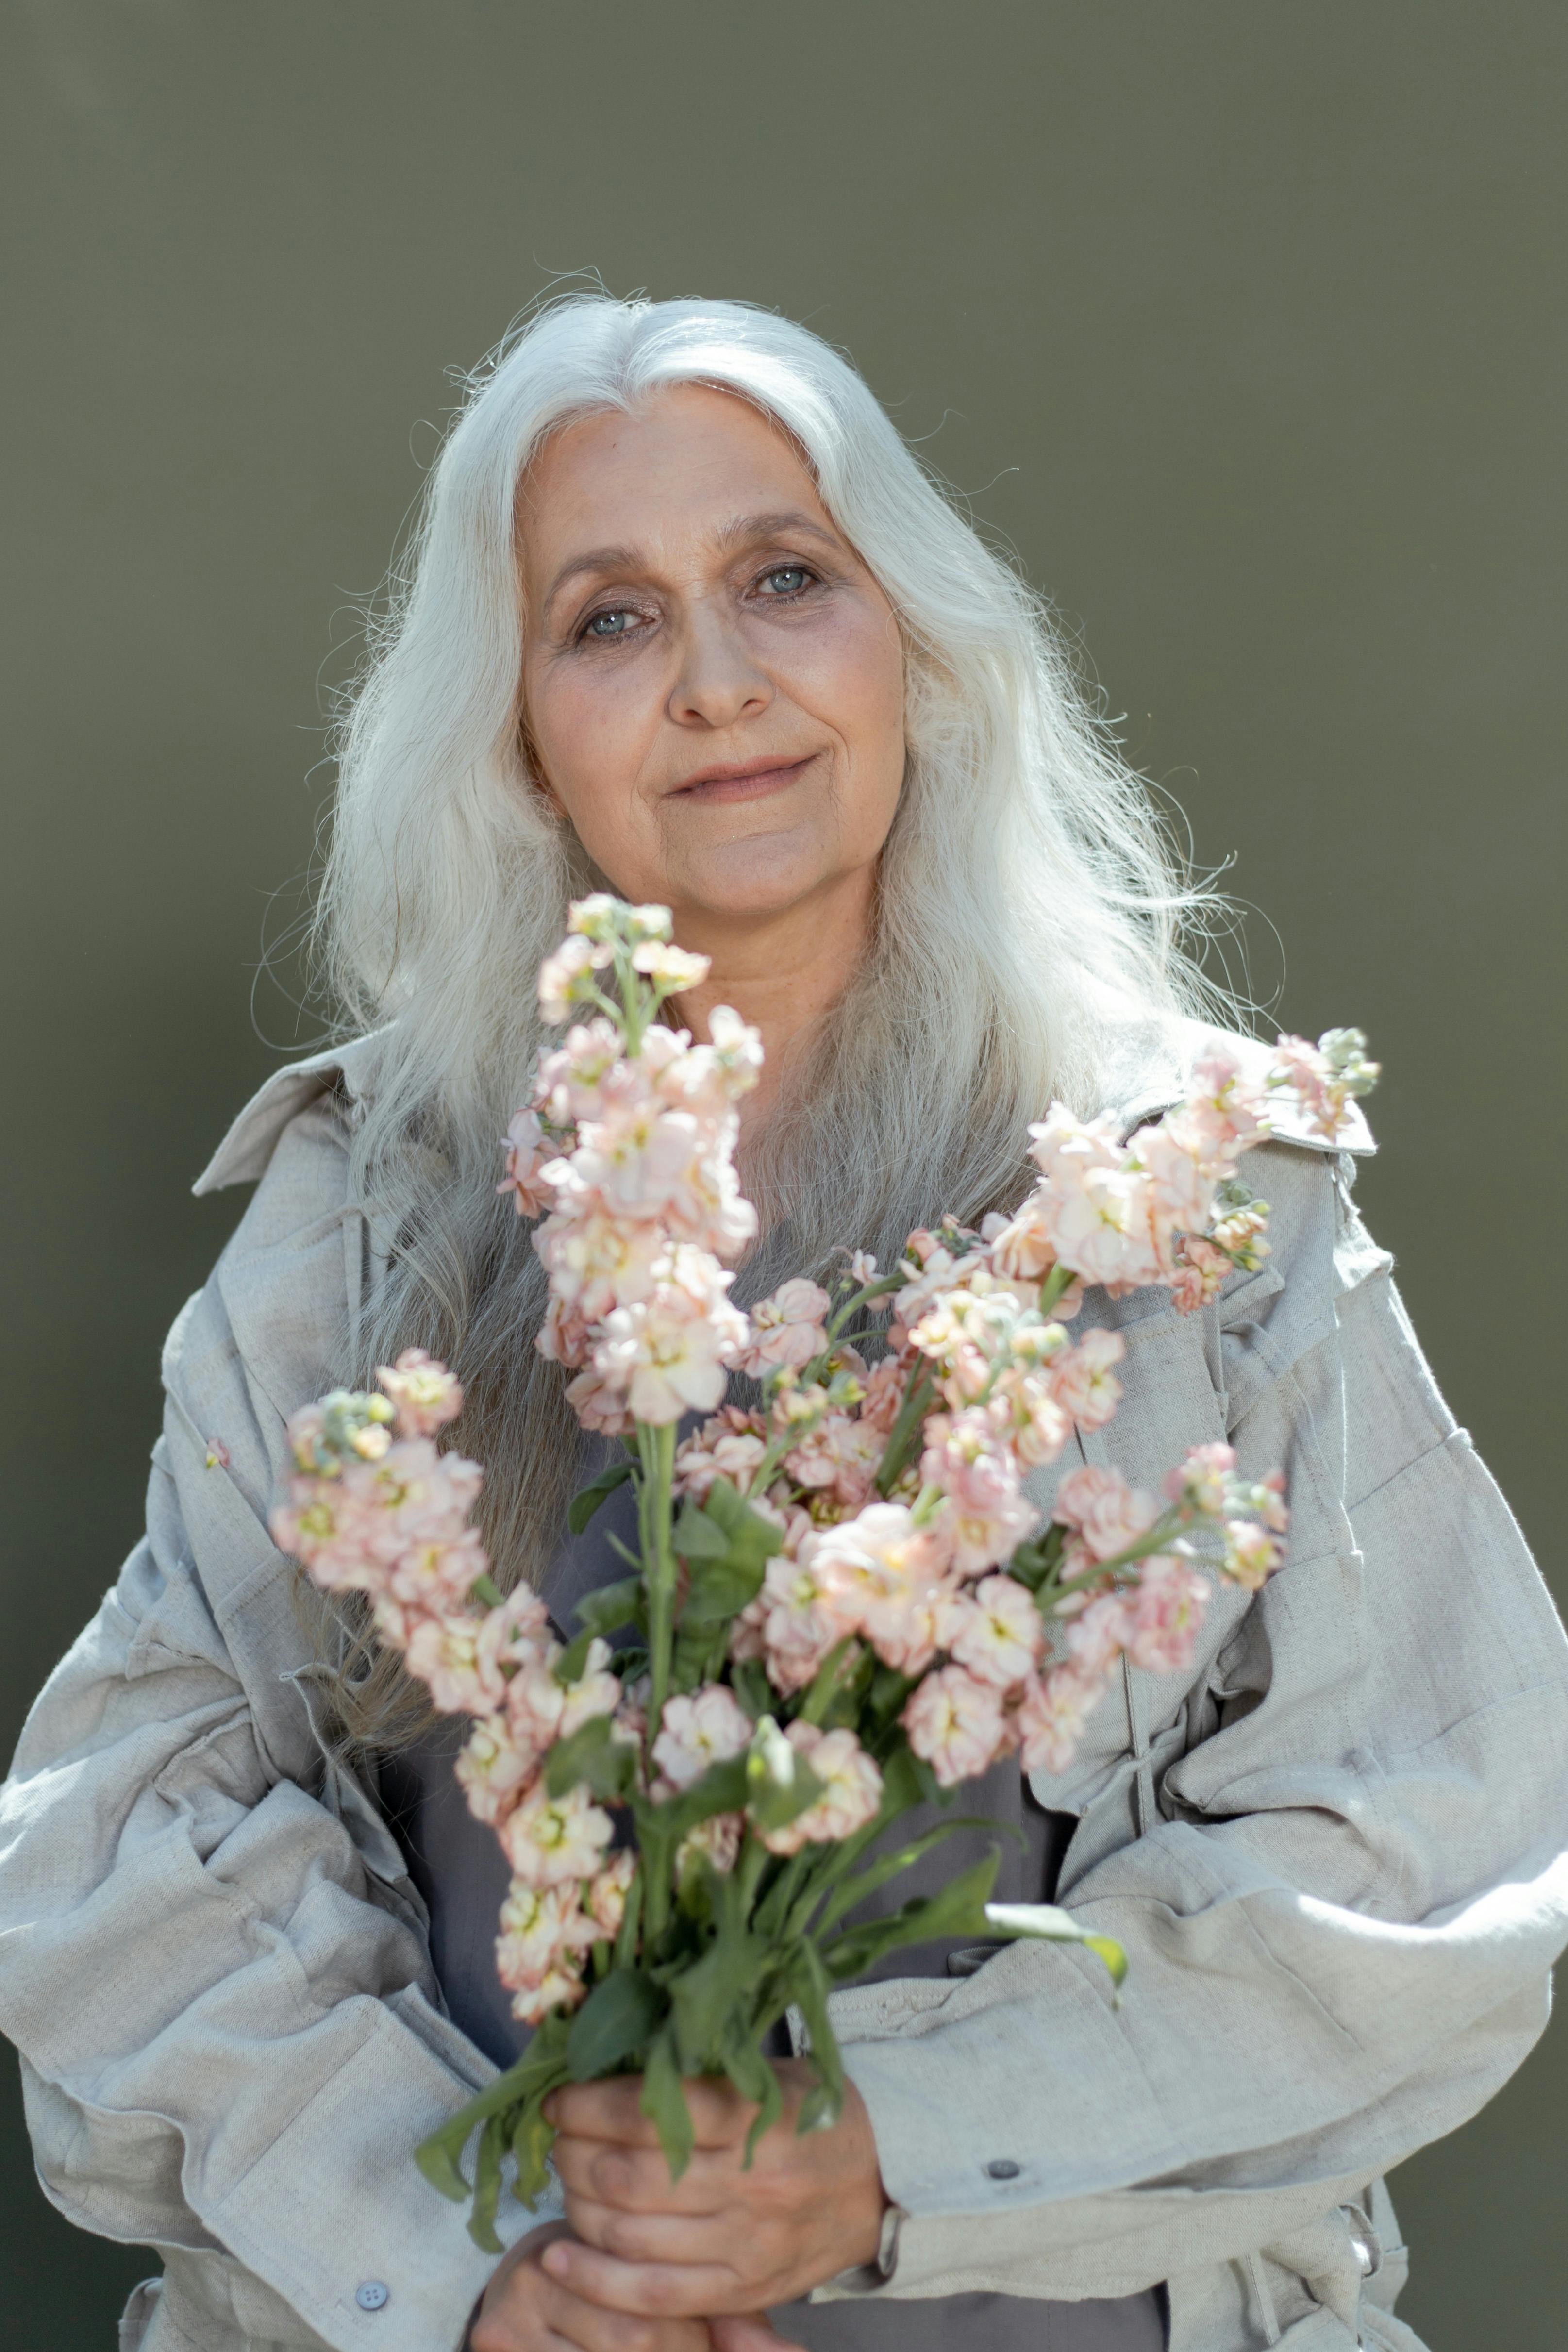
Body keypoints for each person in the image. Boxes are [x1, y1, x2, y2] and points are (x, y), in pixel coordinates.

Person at [2, 296, 1565, 2352]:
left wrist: (883, 2143)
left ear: (912, 641)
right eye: (611, 621)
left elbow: (1436, 1852)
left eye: (784, 580)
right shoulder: (372, 1204)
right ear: (521, 735)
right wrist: (474, 2274)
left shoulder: (1190, 1197)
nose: (719, 684)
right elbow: (133, 1831)